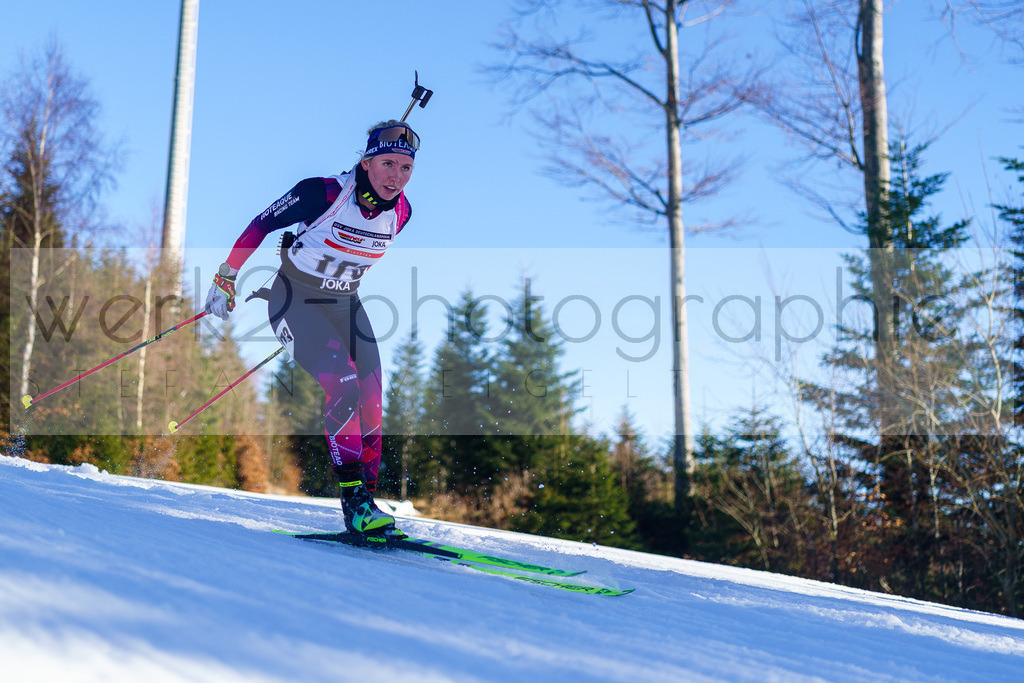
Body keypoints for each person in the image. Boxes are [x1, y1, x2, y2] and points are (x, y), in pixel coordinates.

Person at [204, 119, 419, 536]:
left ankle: (368, 505)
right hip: (294, 302)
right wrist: (226, 276)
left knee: (373, 394)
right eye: (388, 163)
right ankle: (353, 502)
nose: (396, 177)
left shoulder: (403, 213)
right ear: (367, 160)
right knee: (345, 385)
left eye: (406, 168)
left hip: (345, 305)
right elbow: (261, 223)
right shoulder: (321, 193)